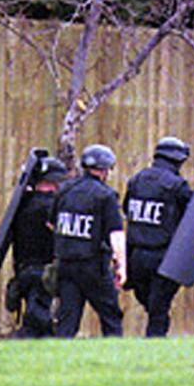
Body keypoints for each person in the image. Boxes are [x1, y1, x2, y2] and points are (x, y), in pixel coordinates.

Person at [50, 144, 126, 338]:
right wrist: (121, 267)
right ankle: (114, 362)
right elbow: (116, 234)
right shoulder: (105, 195)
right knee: (111, 318)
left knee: (67, 321)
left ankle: (59, 363)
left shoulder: (64, 190)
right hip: (93, 266)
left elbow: (51, 224)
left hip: (66, 264)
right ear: (104, 170)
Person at [123, 136, 193, 337]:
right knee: (159, 309)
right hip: (164, 258)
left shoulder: (136, 180)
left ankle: (155, 338)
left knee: (153, 305)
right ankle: (155, 344)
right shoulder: (177, 185)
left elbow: (127, 210)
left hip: (136, 257)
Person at [9, 156, 68, 338]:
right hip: (44, 271)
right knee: (36, 322)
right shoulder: (52, 207)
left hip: (24, 269)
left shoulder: (22, 205)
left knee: (39, 322)